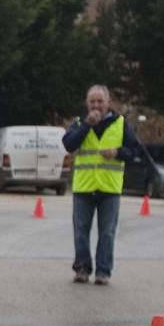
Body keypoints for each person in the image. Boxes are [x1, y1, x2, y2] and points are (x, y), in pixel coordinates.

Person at [61, 84, 140, 285]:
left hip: (109, 188)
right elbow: (68, 144)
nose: (96, 105)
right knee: (81, 232)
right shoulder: (80, 122)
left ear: (108, 103)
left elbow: (134, 152)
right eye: (92, 102)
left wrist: (118, 153)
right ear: (87, 104)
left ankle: (103, 271)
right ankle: (82, 268)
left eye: (100, 101)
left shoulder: (120, 124)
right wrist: (87, 125)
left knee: (107, 232)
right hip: (84, 187)